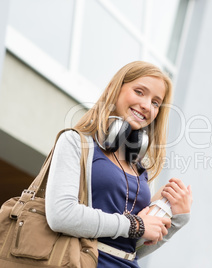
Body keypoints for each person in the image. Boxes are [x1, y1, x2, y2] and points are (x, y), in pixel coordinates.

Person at [45, 61, 192, 268]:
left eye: (156, 102)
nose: (146, 105)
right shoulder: (76, 142)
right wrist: (136, 224)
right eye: (139, 92)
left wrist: (176, 217)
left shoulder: (139, 171)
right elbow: (61, 215)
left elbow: (133, 248)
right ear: (116, 89)